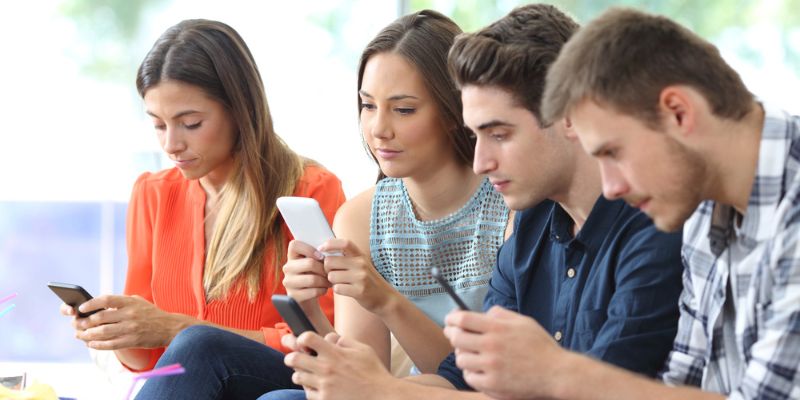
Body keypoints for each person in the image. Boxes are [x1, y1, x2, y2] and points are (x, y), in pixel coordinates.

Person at [263, 4, 684, 400]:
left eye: (499, 134)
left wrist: (384, 390)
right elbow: (461, 379)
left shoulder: (652, 226)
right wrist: (360, 378)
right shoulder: (531, 226)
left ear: (570, 116)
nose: (480, 161)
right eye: (476, 134)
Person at [442, 6, 800, 400]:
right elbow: (680, 383)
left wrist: (557, 372)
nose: (610, 189)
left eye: (612, 152)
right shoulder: (702, 214)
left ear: (678, 113)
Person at [57, 19, 345, 398]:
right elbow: (148, 360)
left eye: (190, 123)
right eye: (159, 125)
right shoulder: (152, 194)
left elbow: (330, 337)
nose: (171, 144)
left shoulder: (309, 190)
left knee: (199, 344)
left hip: (277, 379)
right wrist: (116, 329)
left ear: (238, 110)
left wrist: (174, 327)